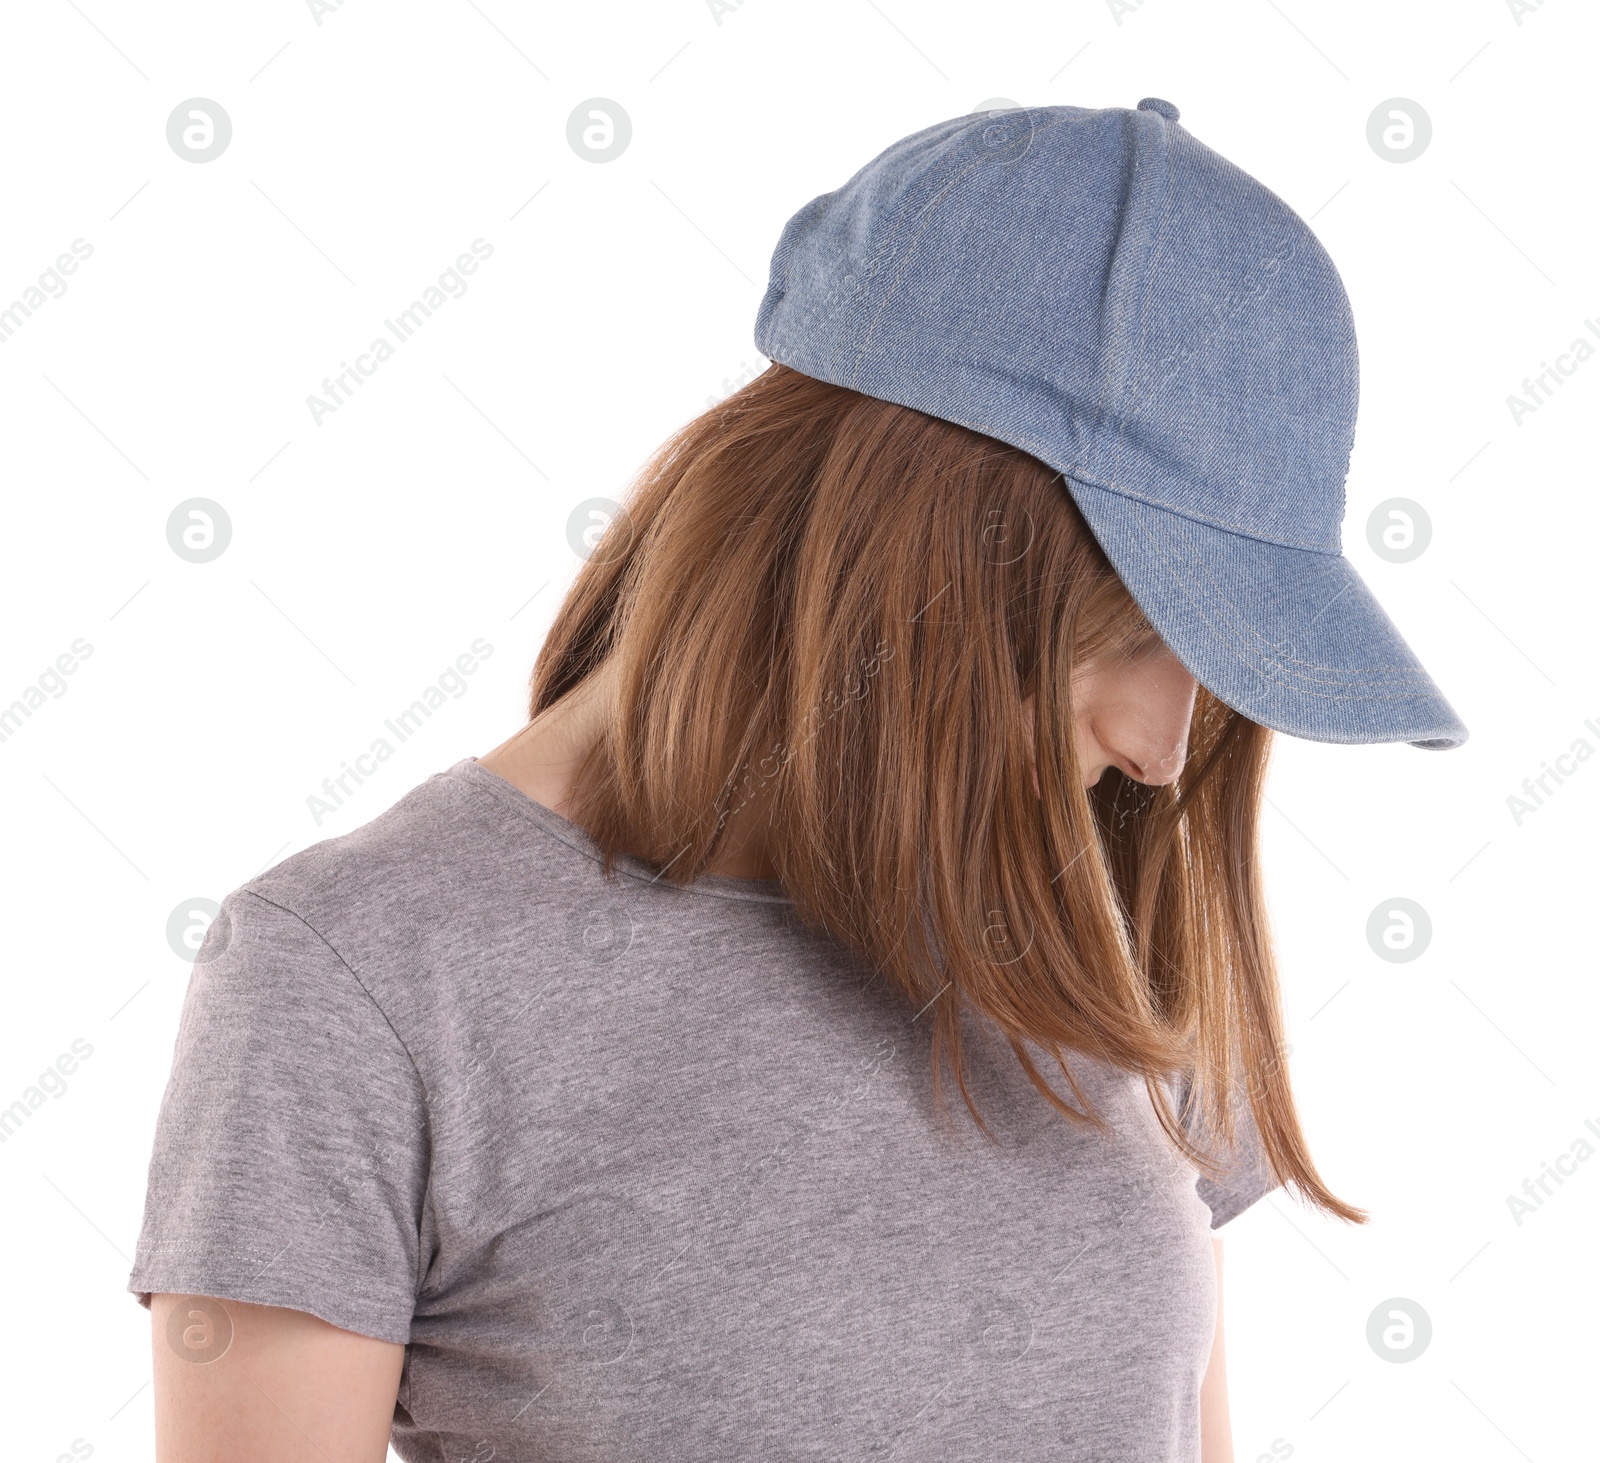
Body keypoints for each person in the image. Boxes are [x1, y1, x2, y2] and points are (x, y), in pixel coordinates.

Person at [129, 98, 1467, 1463]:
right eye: (1134, 631)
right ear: (915, 547)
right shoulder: (355, 976)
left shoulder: (1087, 908)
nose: (1166, 752)